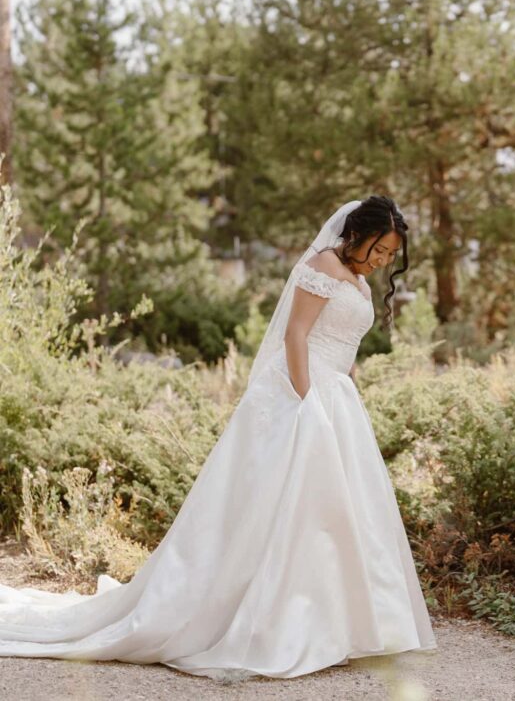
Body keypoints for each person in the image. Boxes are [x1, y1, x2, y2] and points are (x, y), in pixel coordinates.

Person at [0, 196, 436, 681]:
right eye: (379, 250)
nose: (382, 261)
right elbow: (296, 336)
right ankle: (275, 625)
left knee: (331, 513)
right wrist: (306, 401)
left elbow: (342, 343)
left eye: (389, 255)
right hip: (302, 394)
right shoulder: (323, 267)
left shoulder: (356, 279)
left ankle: (332, 622)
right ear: (356, 235)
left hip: (336, 397)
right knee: (287, 507)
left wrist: (347, 389)